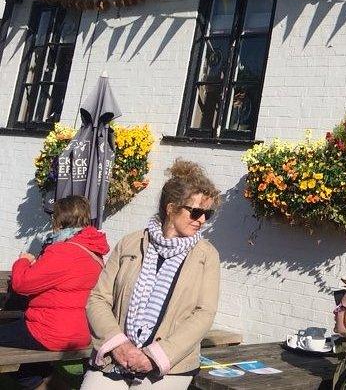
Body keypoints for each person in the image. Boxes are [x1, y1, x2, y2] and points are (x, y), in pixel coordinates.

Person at [83, 159, 221, 390]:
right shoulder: (130, 243)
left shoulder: (206, 256)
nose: (202, 220)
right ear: (171, 208)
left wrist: (154, 356)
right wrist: (118, 345)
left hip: (169, 366)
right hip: (114, 358)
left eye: (208, 214)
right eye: (196, 212)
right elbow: (98, 298)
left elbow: (204, 314)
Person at [0, 195, 109, 388]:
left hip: (51, 331)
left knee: (13, 332)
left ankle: (39, 382)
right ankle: (41, 379)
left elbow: (21, 284)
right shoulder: (94, 251)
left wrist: (24, 260)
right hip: (83, 331)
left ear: (59, 220)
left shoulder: (64, 251)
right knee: (21, 336)